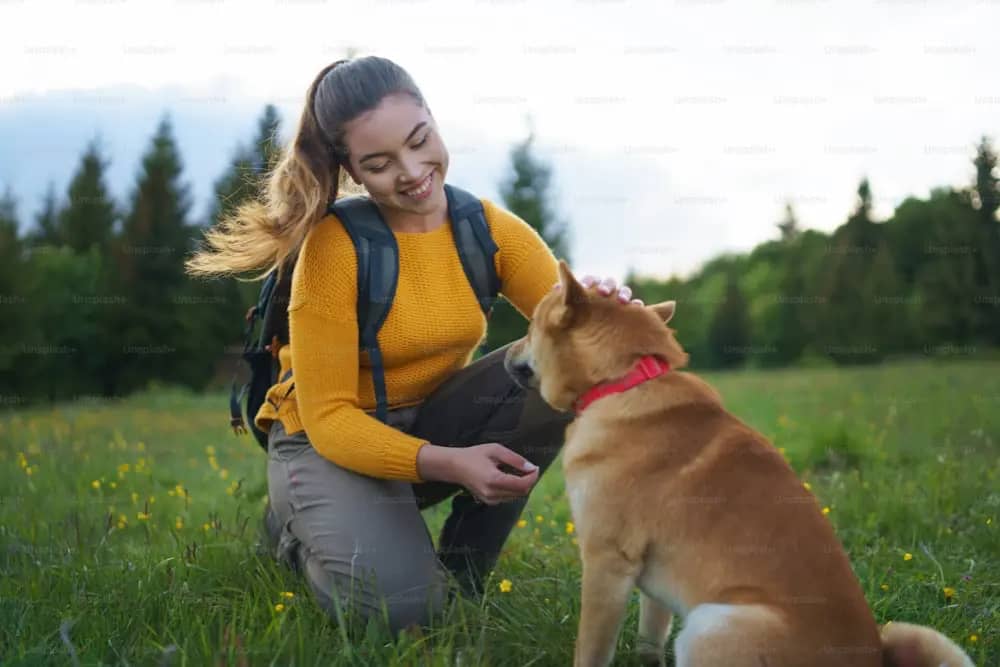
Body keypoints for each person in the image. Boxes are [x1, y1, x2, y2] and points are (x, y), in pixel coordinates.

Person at [185, 55, 643, 637]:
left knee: (553, 376)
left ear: (432, 115)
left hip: (427, 423)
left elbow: (571, 329)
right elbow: (327, 419)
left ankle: (466, 572)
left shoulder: (487, 228)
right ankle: (295, 536)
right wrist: (451, 462)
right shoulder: (334, 250)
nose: (412, 172)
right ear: (350, 169)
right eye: (379, 164)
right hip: (326, 447)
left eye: (419, 140)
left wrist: (603, 307)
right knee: (404, 616)